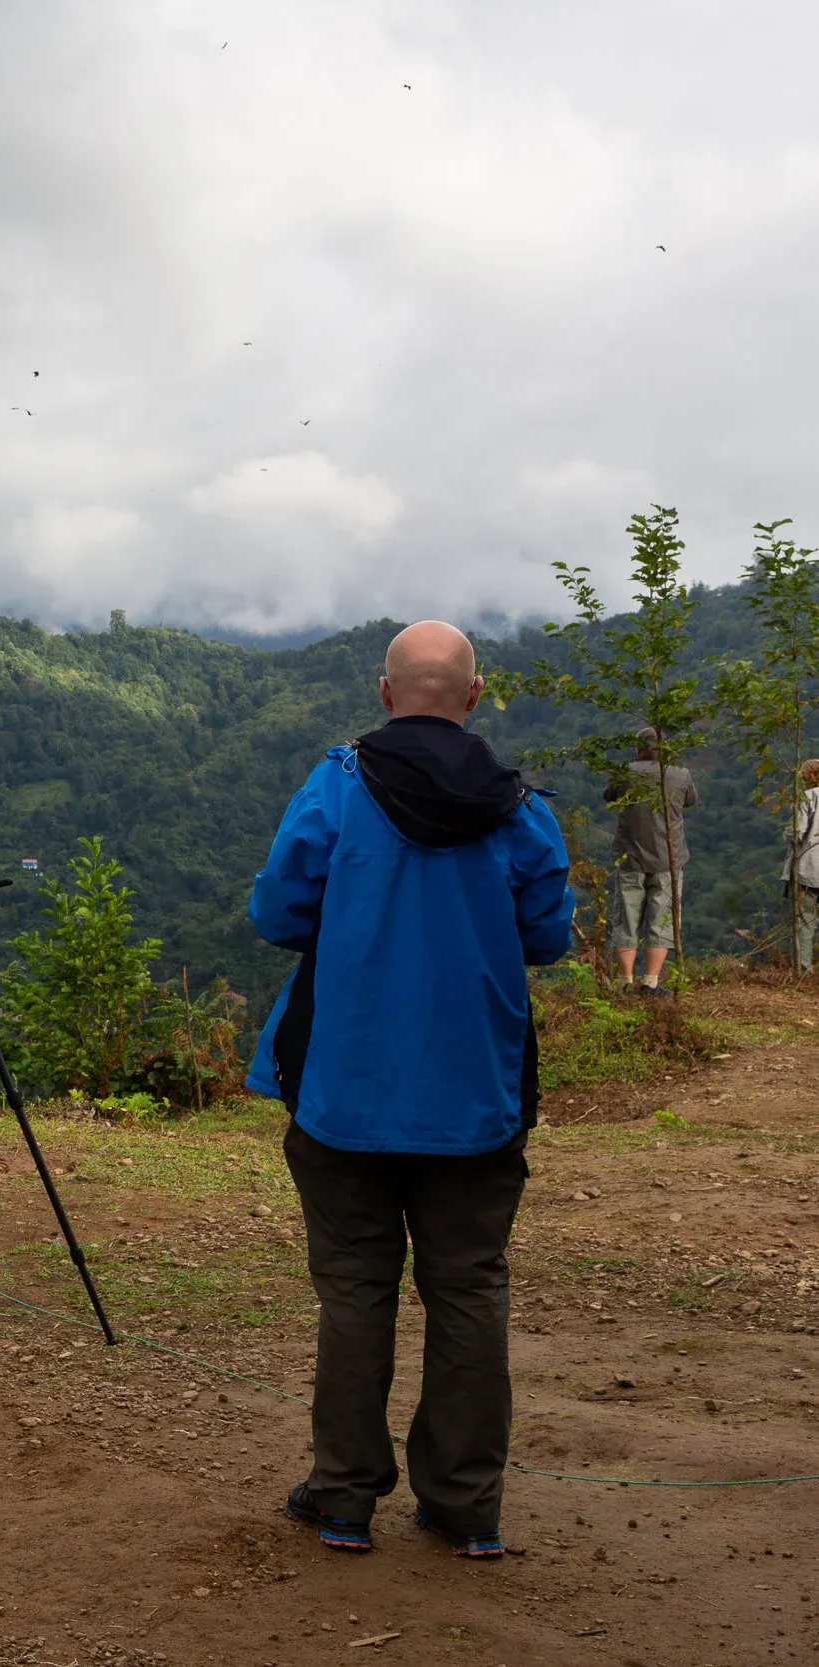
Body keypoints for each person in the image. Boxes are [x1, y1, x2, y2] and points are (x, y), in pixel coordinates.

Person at [246, 620, 572, 1559]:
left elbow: (278, 911)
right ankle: (466, 1506)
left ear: (386, 694)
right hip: (476, 1096)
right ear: (474, 697)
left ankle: (345, 1497)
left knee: (355, 1290)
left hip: (343, 1091)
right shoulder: (519, 810)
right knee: (468, 1290)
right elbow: (546, 935)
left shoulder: (337, 787)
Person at [604, 728, 696, 994]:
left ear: (638, 749)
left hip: (630, 856)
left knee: (627, 919)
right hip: (669, 857)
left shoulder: (625, 773)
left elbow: (609, 795)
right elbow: (690, 800)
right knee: (662, 920)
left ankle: (625, 981)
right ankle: (652, 982)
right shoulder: (680, 774)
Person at [791, 759, 819, 975]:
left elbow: (797, 832)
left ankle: (803, 970)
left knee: (805, 921)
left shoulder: (807, 798)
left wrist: (787, 834)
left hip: (810, 867)